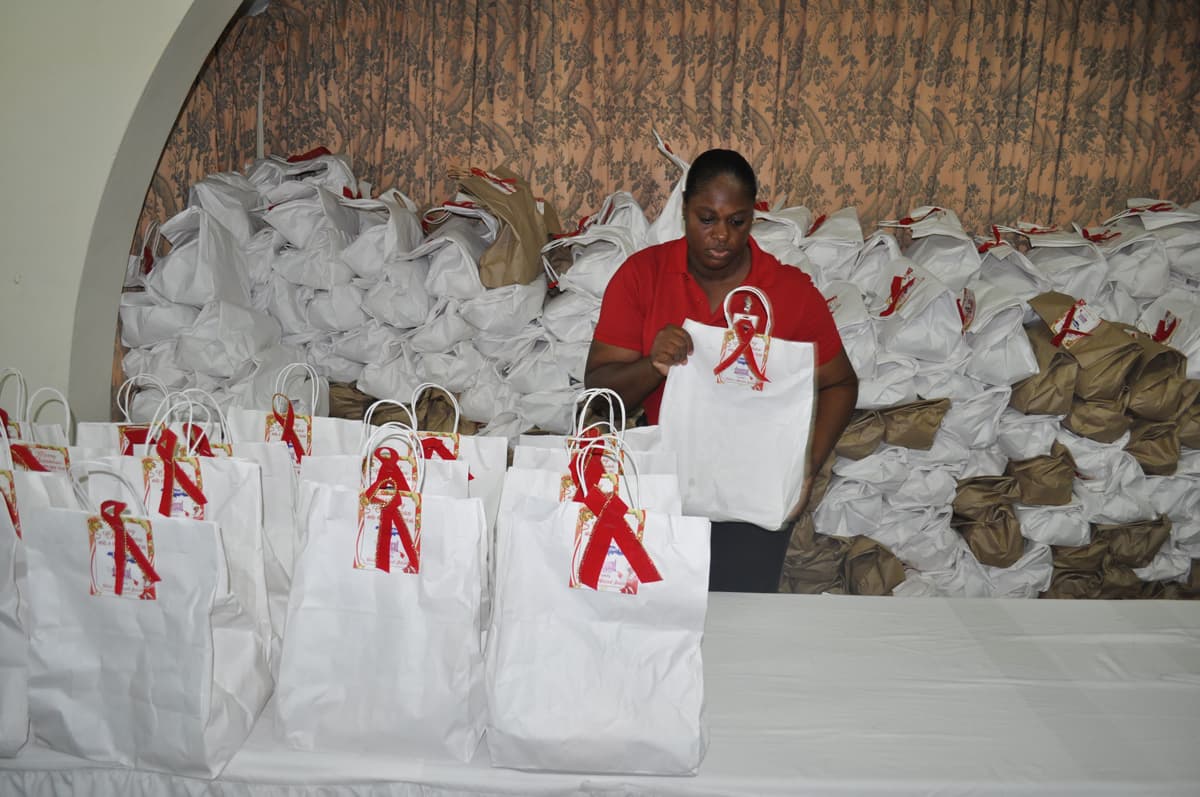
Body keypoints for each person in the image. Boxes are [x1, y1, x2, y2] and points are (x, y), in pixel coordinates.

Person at [584, 148, 858, 593]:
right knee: (658, 612)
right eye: (706, 218)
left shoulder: (789, 292)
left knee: (740, 620)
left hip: (754, 494)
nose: (721, 236)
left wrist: (805, 468)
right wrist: (653, 366)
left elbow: (841, 383)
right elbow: (599, 393)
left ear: (753, 219)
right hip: (664, 489)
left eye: (737, 221)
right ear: (684, 210)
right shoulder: (643, 276)